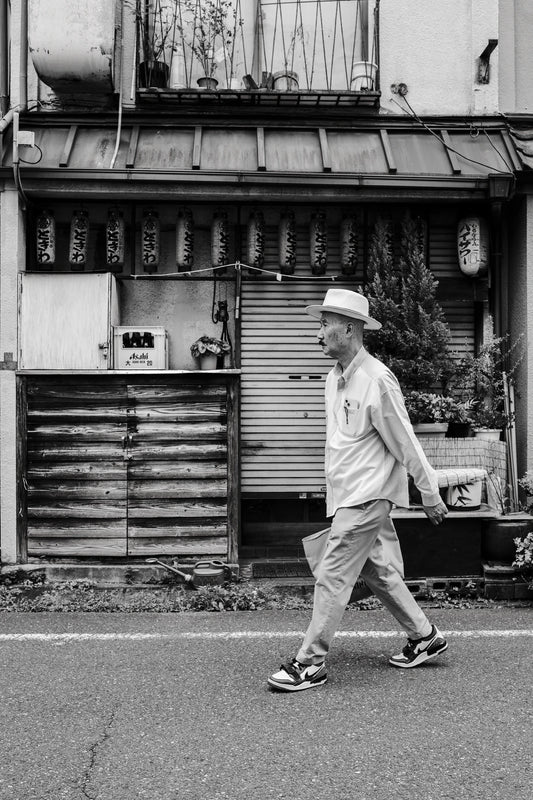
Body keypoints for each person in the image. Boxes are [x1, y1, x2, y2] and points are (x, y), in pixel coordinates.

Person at [268, 288, 449, 692]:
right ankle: (425, 636)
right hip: (347, 493)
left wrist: (430, 492)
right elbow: (341, 442)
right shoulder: (334, 379)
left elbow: (406, 441)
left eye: (324, 323)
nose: (318, 333)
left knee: (332, 575)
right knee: (377, 570)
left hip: (367, 496)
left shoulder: (376, 380)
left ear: (348, 329)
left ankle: (309, 663)